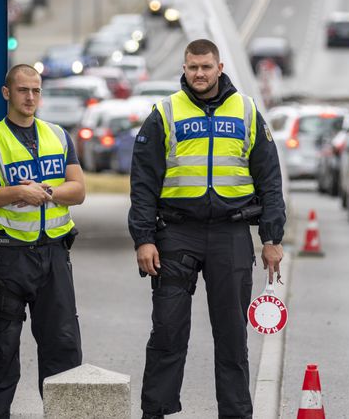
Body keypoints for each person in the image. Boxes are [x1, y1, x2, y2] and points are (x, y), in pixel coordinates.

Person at [128, 39, 285, 419]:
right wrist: (144, 239)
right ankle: (156, 411)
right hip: (177, 234)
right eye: (192, 67)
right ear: (184, 68)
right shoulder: (165, 112)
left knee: (232, 336)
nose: (199, 73)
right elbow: (144, 182)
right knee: (167, 330)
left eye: (206, 67)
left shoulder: (246, 110)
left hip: (231, 235)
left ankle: (235, 413)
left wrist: (271, 237)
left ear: (219, 67)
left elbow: (269, 178)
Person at [0, 64, 86, 418]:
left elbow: (78, 190)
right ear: (7, 93)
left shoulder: (59, 135)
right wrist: (17, 192)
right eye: (23, 90)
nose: (30, 97)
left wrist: (46, 192)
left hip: (54, 254)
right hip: (9, 256)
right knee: (3, 349)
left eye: (35, 90)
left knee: (63, 345)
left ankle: (63, 414)